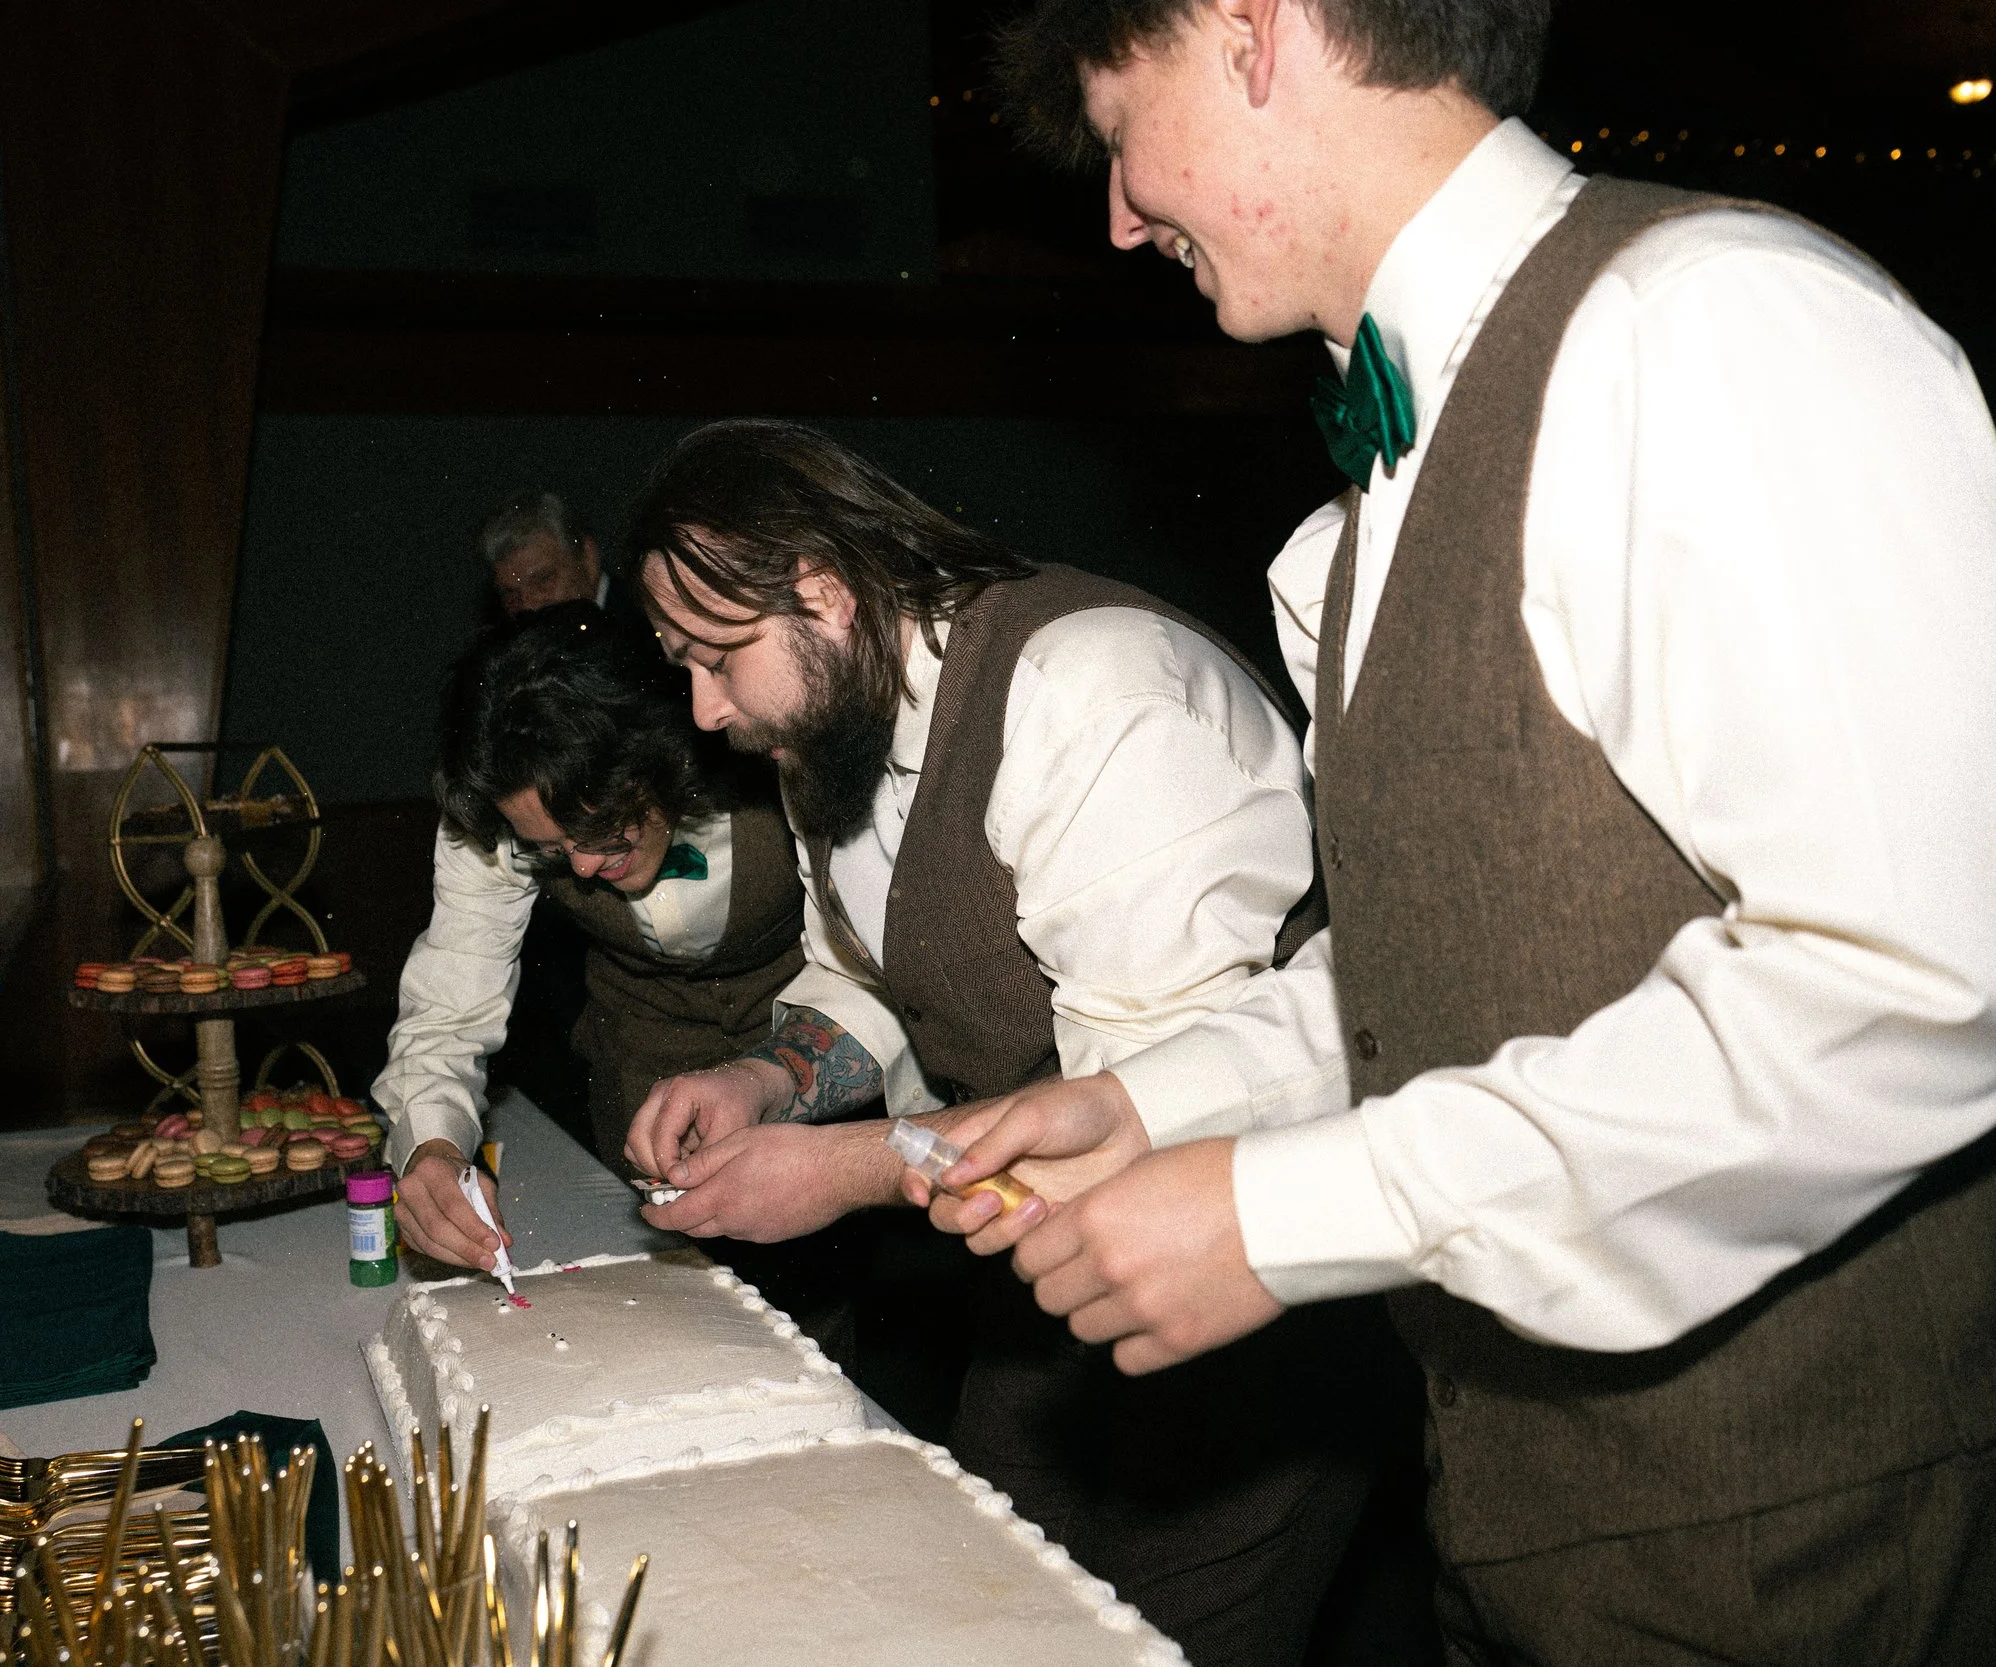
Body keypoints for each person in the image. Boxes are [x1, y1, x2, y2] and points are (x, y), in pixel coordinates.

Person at [935, 2, 1996, 1660]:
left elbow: (1915, 978)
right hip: (1521, 1521)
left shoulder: (1707, 332)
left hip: (1800, 1542)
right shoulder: (1376, 484)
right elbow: (1450, 946)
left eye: (1119, 120)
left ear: (1251, 31)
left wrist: (1286, 1219)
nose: (1122, 211)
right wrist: (1163, 1104)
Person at [621, 418, 1402, 1667]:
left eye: (718, 657)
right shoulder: (829, 716)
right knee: (983, 1604)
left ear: (821, 588)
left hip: (1253, 1297)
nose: (706, 712)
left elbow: (1143, 1110)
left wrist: (841, 1172)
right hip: (1035, 1277)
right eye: (682, 666)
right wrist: (768, 1076)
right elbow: (879, 976)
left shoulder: (1086, 690)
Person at [377, 602, 806, 1274]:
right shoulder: (497, 809)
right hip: (638, 1092)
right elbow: (451, 1003)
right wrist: (430, 1144)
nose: (578, 867)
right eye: (551, 849)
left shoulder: (772, 748)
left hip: (811, 1096)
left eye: (603, 828)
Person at [479, 490, 623, 619]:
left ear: (588, 558)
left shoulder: (641, 627)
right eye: (511, 595)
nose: (528, 605)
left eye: (543, 580)